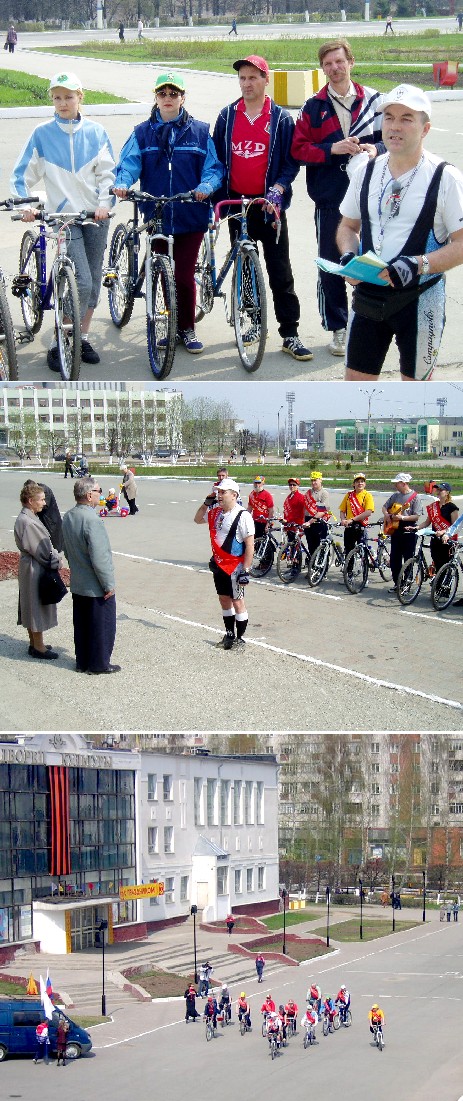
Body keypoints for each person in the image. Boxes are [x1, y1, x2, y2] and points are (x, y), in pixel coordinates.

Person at [336, 84, 463, 381]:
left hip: (420, 301)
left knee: (417, 400)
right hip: (367, 297)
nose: (395, 126)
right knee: (356, 396)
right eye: (389, 117)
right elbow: (347, 226)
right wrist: (348, 256)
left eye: (407, 118)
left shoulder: (446, 178)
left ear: (425, 128)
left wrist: (419, 264)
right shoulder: (366, 171)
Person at [11, 71, 115, 370]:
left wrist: (106, 205)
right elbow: (21, 176)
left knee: (93, 280)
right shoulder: (42, 134)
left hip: (95, 216)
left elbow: (109, 174)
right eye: (57, 97)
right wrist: (28, 206)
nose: (63, 102)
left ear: (80, 97)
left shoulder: (96, 132)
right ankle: (60, 340)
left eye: (69, 96)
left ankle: (80, 336)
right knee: (79, 280)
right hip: (63, 217)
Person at [113, 71, 223, 354]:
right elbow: (128, 164)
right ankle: (170, 326)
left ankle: (187, 328)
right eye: (163, 94)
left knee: (184, 275)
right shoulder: (142, 132)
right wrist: (123, 184)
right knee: (164, 273)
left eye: (174, 94)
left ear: (183, 98)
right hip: (157, 214)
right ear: (156, 98)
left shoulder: (200, 131)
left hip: (191, 215)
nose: (168, 99)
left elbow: (213, 168)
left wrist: (206, 186)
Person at [213, 55, 313, 362]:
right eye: (242, 78)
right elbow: (216, 160)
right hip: (237, 206)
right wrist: (216, 199)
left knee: (280, 270)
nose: (246, 83)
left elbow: (291, 161)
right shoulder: (227, 116)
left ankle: (290, 333)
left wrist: (278, 189)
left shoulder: (281, 120)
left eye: (253, 78)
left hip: (268, 207)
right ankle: (254, 323)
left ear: (265, 79)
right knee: (244, 270)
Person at [291, 38, 383, 358]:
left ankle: (367, 322)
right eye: (328, 63)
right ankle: (338, 328)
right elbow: (298, 150)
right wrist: (333, 149)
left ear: (351, 62)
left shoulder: (374, 101)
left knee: (369, 262)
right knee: (331, 265)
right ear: (323, 69)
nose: (334, 68)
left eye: (339, 61)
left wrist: (376, 149)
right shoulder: (312, 107)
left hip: (371, 196)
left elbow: (397, 140)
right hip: (330, 197)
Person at [62, 477, 120, 675]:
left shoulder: (68, 516)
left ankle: (83, 661)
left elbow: (67, 550)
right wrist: (108, 585)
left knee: (82, 626)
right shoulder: (92, 520)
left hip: (78, 581)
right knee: (101, 627)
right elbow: (100, 557)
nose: (100, 494)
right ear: (89, 495)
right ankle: (99, 664)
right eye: (98, 490)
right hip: (95, 585)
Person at [194, 478, 254, 651]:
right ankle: (229, 634)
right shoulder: (215, 512)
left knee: (237, 601)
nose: (219, 496)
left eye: (223, 492)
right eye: (218, 492)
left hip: (235, 566)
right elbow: (197, 519)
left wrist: (246, 570)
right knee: (224, 599)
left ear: (234, 495)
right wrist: (206, 503)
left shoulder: (243, 515)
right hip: (219, 565)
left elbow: (250, 545)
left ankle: (240, 639)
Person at [14, 482, 62, 660]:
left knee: (29, 604)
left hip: (30, 567)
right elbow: (43, 552)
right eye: (41, 499)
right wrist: (58, 560)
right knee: (35, 606)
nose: (44, 503)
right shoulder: (29, 522)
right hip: (35, 569)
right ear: (30, 501)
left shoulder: (27, 518)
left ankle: (34, 643)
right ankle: (39, 647)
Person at [382, 473, 423, 593]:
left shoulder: (415, 497)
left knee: (408, 557)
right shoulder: (395, 496)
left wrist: (402, 518)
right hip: (396, 529)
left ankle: (407, 583)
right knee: (395, 558)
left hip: (408, 529)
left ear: (404, 483)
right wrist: (388, 515)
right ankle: (397, 582)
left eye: (397, 483)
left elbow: (416, 516)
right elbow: (384, 507)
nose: (395, 485)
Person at [417, 481, 459, 574]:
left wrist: (443, 531)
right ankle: (437, 584)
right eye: (437, 489)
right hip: (435, 539)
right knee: (437, 563)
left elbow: (454, 526)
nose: (438, 491)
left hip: (446, 541)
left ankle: (443, 587)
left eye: (441, 490)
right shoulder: (434, 506)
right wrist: (416, 527)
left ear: (447, 492)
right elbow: (427, 522)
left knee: (444, 565)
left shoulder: (452, 507)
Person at [23, 479, 64, 553]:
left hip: (50, 519)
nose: (44, 502)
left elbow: (43, 506)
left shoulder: (44, 491)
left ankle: (54, 554)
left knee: (54, 541)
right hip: (45, 518)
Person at [339, 473, 374, 556]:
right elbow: (342, 510)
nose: (360, 483)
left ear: (365, 484)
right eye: (357, 481)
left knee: (363, 551)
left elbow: (368, 512)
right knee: (348, 550)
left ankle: (364, 567)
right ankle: (349, 568)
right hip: (349, 526)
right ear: (353, 484)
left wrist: (353, 519)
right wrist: (343, 520)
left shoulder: (367, 495)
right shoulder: (349, 495)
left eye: (362, 481)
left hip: (361, 526)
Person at [303, 470, 332, 558]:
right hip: (308, 520)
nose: (313, 482)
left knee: (320, 546)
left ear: (320, 480)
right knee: (311, 545)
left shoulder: (324, 493)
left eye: (315, 480)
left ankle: (322, 567)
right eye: (312, 480)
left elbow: (322, 511)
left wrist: (310, 522)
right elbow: (304, 508)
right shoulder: (308, 492)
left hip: (319, 522)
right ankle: (312, 563)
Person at [247, 476, 274, 541]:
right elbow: (249, 508)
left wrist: (268, 523)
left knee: (265, 542)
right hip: (255, 521)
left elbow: (271, 511)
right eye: (255, 483)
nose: (257, 485)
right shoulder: (252, 494)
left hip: (265, 521)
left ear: (263, 483)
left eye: (259, 483)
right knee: (255, 540)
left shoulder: (267, 495)